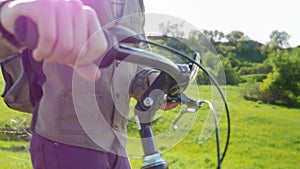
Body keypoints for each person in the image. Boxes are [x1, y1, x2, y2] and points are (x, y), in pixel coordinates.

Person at [0, 0, 178, 168]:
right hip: (67, 140)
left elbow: (136, 54)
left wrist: (150, 79)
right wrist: (10, 15)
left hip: (116, 141)